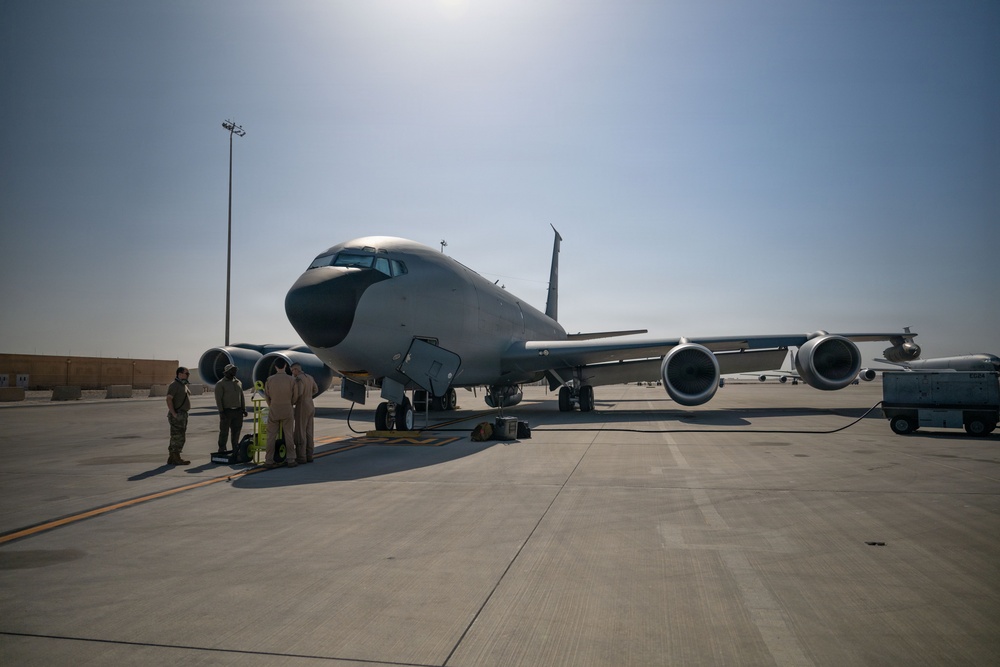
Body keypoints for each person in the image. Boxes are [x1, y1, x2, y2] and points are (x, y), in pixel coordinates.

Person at [264, 360, 299, 468]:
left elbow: (267, 395)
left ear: (275, 367)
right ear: (285, 366)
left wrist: (271, 405)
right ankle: (291, 459)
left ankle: (269, 460)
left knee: (271, 436)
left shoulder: (270, 380)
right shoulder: (291, 379)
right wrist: (290, 403)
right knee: (288, 435)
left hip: (274, 408)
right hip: (287, 408)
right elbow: (295, 396)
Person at [214, 363, 247, 455]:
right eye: (232, 370)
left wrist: (243, 409)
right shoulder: (220, 384)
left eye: (235, 370)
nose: (234, 372)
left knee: (236, 431)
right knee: (224, 431)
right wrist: (221, 412)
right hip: (226, 411)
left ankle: (235, 447)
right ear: (226, 372)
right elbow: (218, 399)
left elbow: (242, 396)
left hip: (238, 411)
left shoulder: (238, 382)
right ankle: (222, 448)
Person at [291, 363, 319, 463]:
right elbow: (316, 389)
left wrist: (293, 401)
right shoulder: (310, 377)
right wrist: (309, 396)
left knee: (300, 431)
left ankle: (301, 456)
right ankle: (310, 455)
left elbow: (299, 393)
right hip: (310, 404)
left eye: (292, 371)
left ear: (295, 370)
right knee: (309, 431)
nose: (292, 373)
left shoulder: (299, 379)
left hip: (302, 405)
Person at [166, 367, 192, 465]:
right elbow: (169, 399)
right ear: (180, 374)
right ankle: (175, 457)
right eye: (186, 373)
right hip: (178, 414)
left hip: (182, 414)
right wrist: (174, 414)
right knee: (177, 436)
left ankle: (172, 457)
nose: (188, 375)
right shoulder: (175, 385)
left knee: (179, 436)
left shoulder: (183, 384)